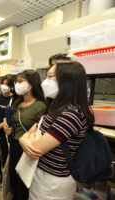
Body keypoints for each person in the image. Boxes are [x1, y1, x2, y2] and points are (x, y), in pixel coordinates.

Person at [19, 62, 94, 200]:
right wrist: (23, 139)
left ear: (67, 82)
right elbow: (32, 131)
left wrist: (25, 139)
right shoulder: (55, 108)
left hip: (53, 181)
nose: (45, 82)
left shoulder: (71, 114)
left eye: (50, 76)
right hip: (41, 174)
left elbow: (36, 149)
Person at [4, 70, 46, 200]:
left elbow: (40, 131)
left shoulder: (41, 106)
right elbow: (14, 125)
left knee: (24, 183)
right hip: (15, 145)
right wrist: (9, 129)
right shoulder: (16, 103)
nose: (17, 84)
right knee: (13, 178)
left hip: (28, 148)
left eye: (21, 81)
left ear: (32, 84)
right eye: (17, 81)